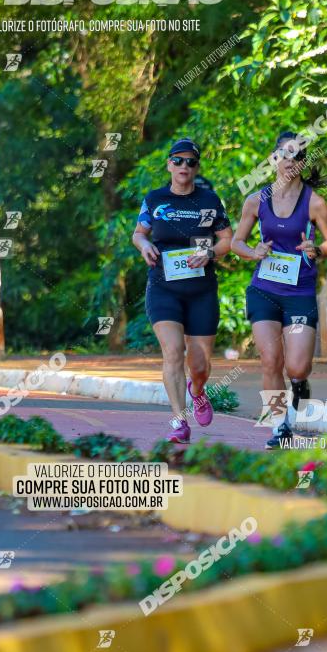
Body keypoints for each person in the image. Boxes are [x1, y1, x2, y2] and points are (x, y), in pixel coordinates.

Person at [231, 132, 327, 449]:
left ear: (303, 162)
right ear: (275, 158)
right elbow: (236, 241)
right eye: (285, 154)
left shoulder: (315, 202)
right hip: (264, 289)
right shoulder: (256, 201)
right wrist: (253, 252)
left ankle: (299, 381)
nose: (290, 161)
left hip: (299, 292)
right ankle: (280, 425)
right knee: (269, 360)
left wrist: (317, 250)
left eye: (297, 156)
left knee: (297, 365)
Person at [132, 138, 233, 442]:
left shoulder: (210, 200)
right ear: (169, 165)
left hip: (201, 289)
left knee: (200, 365)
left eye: (190, 161)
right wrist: (145, 244)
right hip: (163, 288)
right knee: (173, 351)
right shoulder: (155, 198)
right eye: (178, 160)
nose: (183, 166)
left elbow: (227, 240)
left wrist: (211, 253)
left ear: (196, 166)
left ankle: (198, 390)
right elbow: (138, 233)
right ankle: (179, 420)